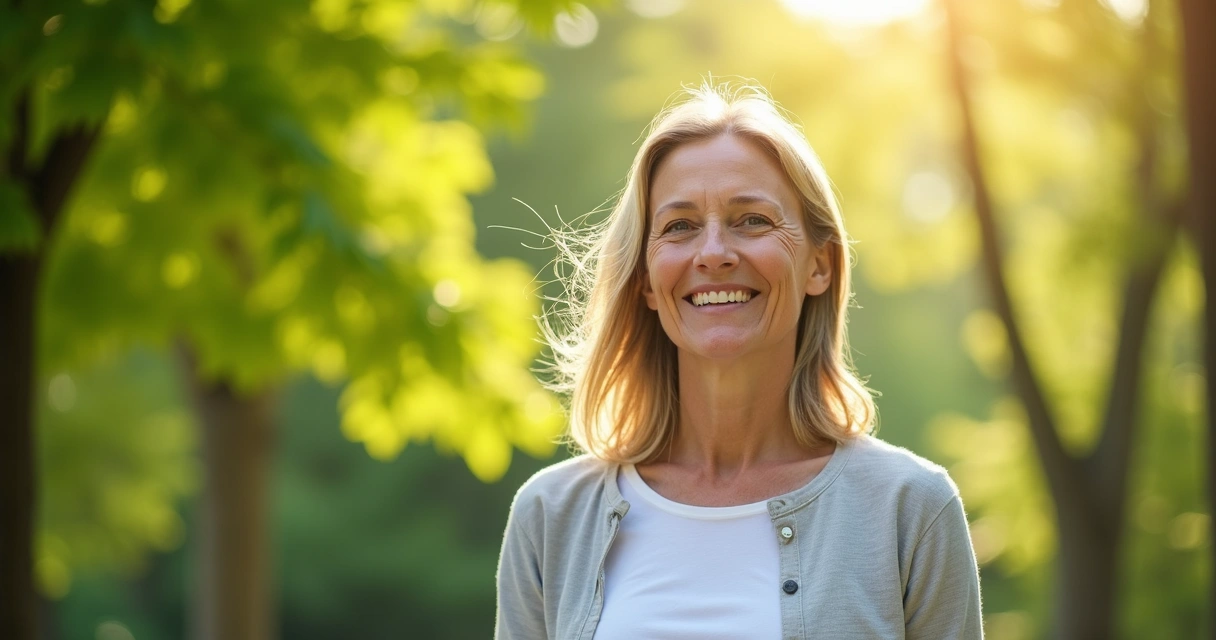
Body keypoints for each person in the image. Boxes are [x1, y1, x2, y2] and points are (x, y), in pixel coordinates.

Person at [495, 82, 983, 639]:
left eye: (751, 220)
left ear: (819, 266)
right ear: (647, 283)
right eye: (679, 226)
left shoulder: (910, 510)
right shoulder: (551, 515)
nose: (713, 254)